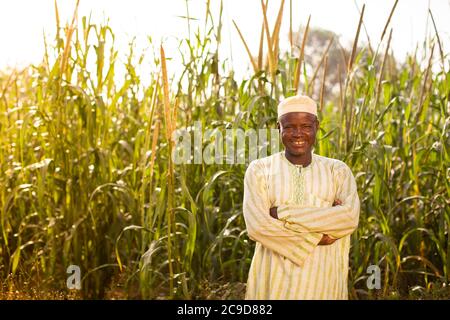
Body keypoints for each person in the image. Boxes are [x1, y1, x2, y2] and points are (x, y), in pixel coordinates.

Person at [243, 95, 360, 300]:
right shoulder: (260, 170)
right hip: (274, 283)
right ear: (278, 128)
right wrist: (318, 235)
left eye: (306, 126)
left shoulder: (337, 171)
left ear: (317, 126)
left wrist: (282, 212)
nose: (298, 134)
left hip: (323, 281)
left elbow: (349, 218)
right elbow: (257, 226)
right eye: (289, 127)